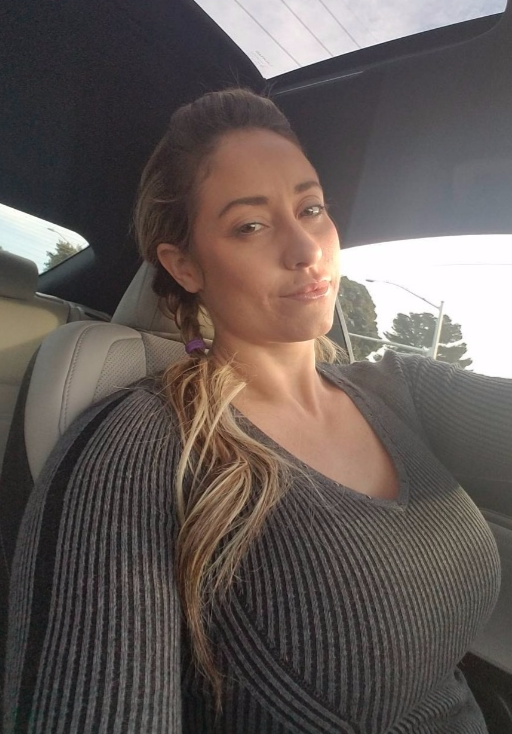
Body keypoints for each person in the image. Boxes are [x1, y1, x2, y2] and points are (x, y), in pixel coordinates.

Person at [3, 87, 511, 734]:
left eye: (312, 208)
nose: (307, 249)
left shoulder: (401, 386)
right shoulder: (139, 445)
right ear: (185, 266)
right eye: (251, 225)